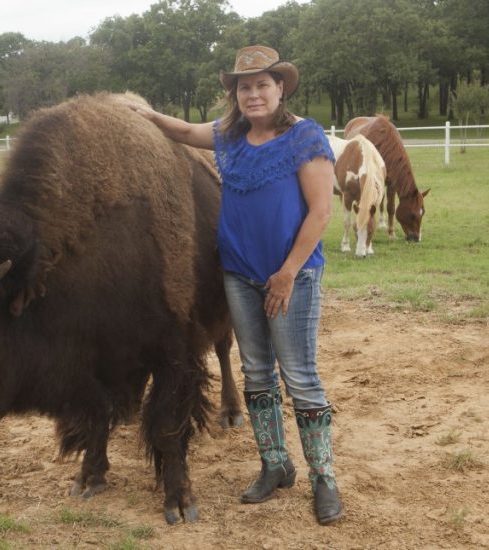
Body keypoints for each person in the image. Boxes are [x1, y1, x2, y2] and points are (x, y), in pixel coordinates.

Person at [122, 45, 343, 525]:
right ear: (235, 95)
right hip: (238, 276)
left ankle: (323, 477)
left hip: (292, 276)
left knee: (300, 376)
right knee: (257, 373)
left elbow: (322, 212)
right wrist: (141, 111)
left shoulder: (304, 136)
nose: (254, 93)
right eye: (245, 86)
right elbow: (182, 131)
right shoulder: (228, 136)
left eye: (263, 84)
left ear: (280, 88)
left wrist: (286, 273)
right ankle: (275, 465)